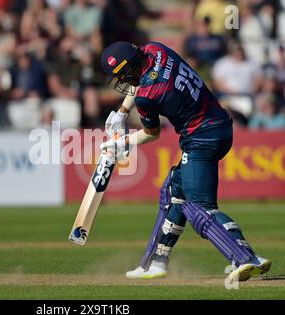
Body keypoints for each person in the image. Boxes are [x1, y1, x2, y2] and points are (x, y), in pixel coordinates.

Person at [99, 41, 271, 282]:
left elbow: (152, 133)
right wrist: (122, 113)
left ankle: (245, 258)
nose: (124, 82)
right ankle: (157, 262)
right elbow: (139, 80)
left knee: (199, 206)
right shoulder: (155, 49)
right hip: (217, 126)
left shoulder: (148, 96)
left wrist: (123, 143)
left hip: (202, 138)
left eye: (123, 75)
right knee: (174, 191)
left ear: (132, 68)